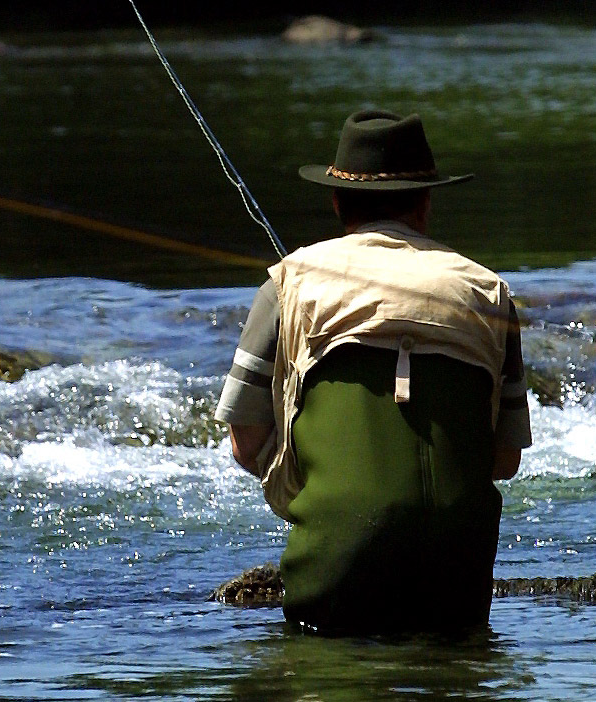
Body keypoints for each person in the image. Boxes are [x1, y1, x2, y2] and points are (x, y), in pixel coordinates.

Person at [215, 109, 532, 634]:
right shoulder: (490, 293)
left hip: (332, 579)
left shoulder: (286, 285)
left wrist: (309, 483)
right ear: (425, 203)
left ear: (337, 201)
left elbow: (246, 444)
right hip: (459, 584)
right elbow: (504, 459)